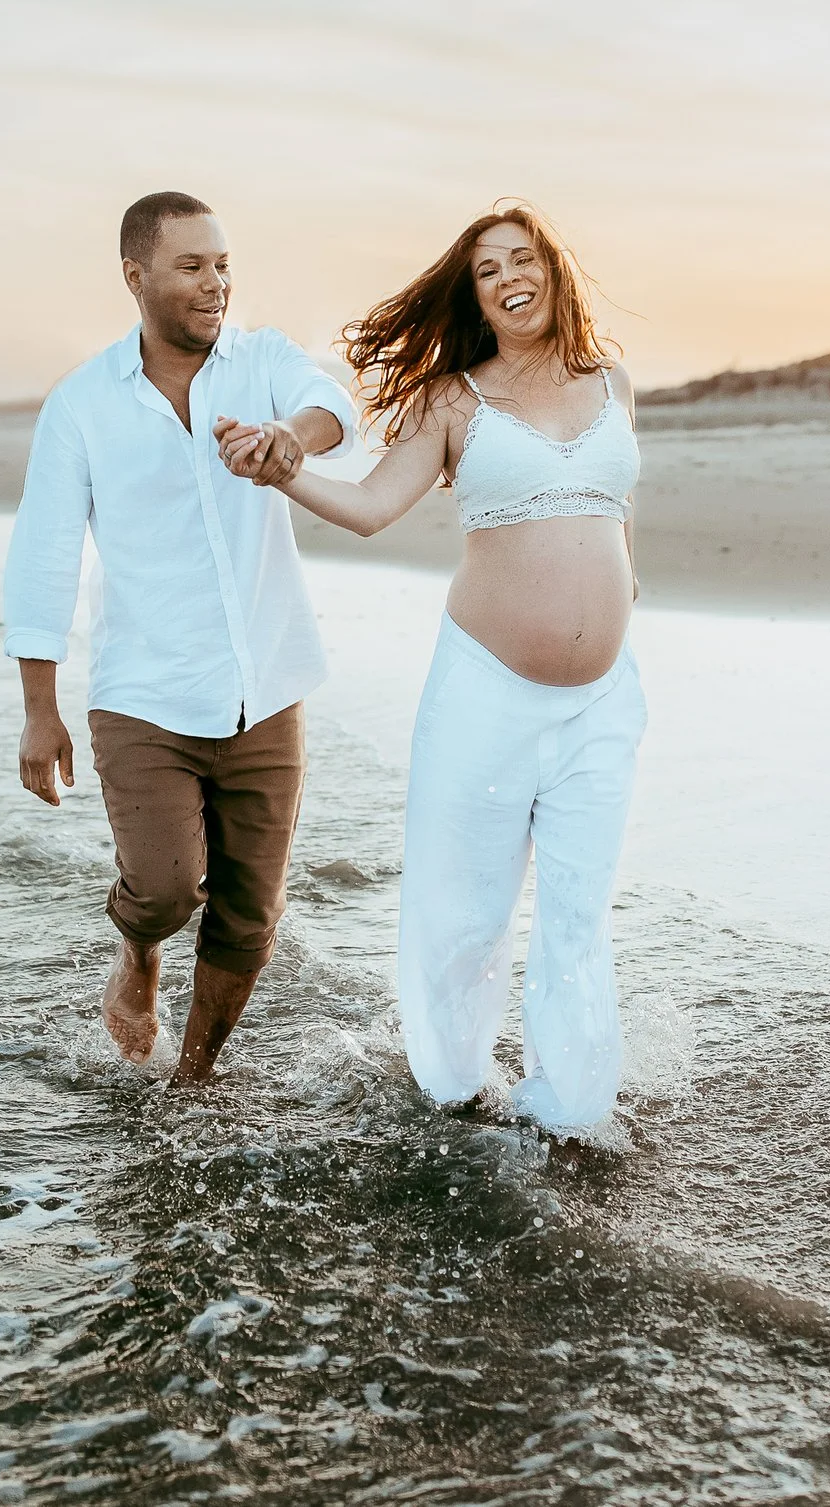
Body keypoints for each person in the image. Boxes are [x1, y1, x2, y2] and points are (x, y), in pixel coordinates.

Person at [217, 203, 644, 1133]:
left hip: (603, 701)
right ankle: (454, 1093)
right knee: (464, 917)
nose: (508, 278)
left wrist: (622, 586)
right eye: (488, 270)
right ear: (475, 296)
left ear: (553, 270)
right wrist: (283, 472)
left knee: (578, 913)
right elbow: (373, 506)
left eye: (522, 260)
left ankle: (570, 1113)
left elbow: (617, 506)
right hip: (486, 691)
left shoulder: (612, 381)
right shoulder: (455, 401)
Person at [3, 191, 356, 1083]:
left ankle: (193, 1081)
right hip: (144, 695)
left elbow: (331, 404)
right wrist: (40, 709)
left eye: (224, 264)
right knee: (164, 888)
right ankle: (138, 953)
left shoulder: (262, 361)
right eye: (192, 266)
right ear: (136, 276)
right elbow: (44, 555)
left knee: (250, 918)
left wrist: (289, 438)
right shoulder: (82, 404)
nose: (215, 284)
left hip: (266, 685)